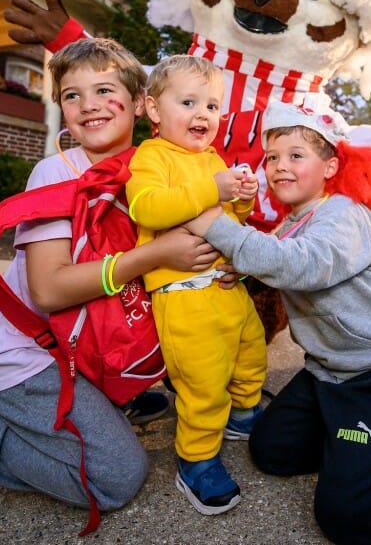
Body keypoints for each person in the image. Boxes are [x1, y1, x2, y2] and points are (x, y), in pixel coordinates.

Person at [0, 39, 222, 518]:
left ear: (140, 102)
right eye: (71, 95)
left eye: (104, 89)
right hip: (27, 357)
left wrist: (220, 267)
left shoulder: (156, 168)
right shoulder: (57, 174)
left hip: (86, 348)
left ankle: (105, 399)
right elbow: (48, 289)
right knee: (116, 477)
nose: (88, 105)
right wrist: (151, 255)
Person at [184, 101, 371, 545]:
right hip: (326, 373)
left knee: (350, 522)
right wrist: (240, 267)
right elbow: (273, 253)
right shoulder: (294, 221)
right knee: (271, 452)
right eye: (272, 157)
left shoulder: (344, 214)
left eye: (296, 155)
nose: (280, 167)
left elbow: (304, 265)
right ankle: (369, 450)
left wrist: (212, 222)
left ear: (330, 165)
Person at [125, 55, 266, 515]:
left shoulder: (212, 159)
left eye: (212, 105)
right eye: (188, 102)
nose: (203, 114)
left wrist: (241, 202)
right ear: (153, 109)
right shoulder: (152, 156)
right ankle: (197, 460)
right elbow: (149, 208)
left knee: (251, 355)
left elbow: (223, 217)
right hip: (184, 297)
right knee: (203, 384)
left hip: (227, 287)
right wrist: (215, 190)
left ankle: (244, 416)